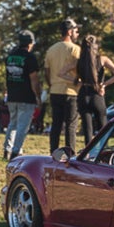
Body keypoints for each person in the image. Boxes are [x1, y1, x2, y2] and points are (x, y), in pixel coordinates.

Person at [43, 19, 82, 155]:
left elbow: (46, 72)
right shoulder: (75, 49)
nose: (77, 34)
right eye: (76, 31)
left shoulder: (51, 49)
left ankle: (53, 152)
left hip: (55, 91)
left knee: (56, 125)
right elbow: (81, 70)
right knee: (71, 126)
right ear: (70, 32)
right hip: (71, 91)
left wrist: (51, 84)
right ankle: (70, 154)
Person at [76, 35, 114, 144]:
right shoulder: (102, 59)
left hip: (83, 93)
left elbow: (62, 73)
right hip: (97, 93)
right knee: (102, 127)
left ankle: (88, 151)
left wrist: (77, 81)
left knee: (87, 128)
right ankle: (103, 149)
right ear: (96, 46)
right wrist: (104, 84)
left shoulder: (79, 61)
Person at [2, 28, 38, 159]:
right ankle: (16, 152)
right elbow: (34, 79)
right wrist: (38, 96)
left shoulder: (10, 56)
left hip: (12, 95)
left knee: (12, 123)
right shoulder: (30, 57)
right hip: (26, 96)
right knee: (22, 126)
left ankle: (7, 149)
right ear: (30, 43)